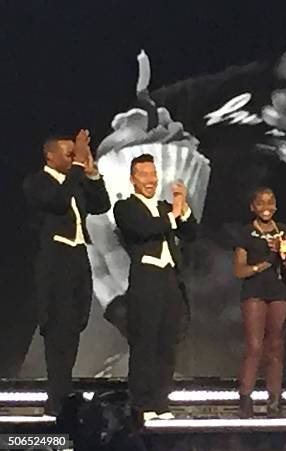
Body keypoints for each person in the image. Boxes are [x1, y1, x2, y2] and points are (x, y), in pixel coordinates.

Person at [22, 130, 111, 415]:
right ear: (50, 155)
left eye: (75, 153)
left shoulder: (76, 181)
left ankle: (63, 393)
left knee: (73, 327)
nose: (74, 158)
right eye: (69, 153)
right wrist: (76, 169)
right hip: (55, 262)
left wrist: (92, 172)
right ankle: (55, 400)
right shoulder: (38, 183)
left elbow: (101, 204)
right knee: (57, 331)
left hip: (77, 259)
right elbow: (58, 202)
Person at [113, 154, 197, 421]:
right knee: (145, 342)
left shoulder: (164, 207)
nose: (150, 180)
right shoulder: (125, 207)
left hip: (169, 280)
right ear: (133, 179)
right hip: (145, 280)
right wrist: (172, 214)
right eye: (143, 175)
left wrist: (182, 208)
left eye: (152, 174)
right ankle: (141, 403)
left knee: (166, 343)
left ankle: (161, 402)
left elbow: (190, 232)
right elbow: (143, 229)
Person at [233, 187, 286, 418]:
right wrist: (258, 267)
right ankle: (245, 397)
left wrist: (284, 253)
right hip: (254, 291)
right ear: (253, 207)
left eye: (270, 202)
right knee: (255, 346)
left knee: (276, 345)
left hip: (280, 290)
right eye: (260, 203)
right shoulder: (245, 233)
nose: (266, 207)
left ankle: (275, 398)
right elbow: (238, 270)